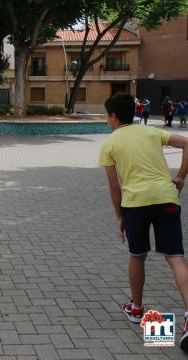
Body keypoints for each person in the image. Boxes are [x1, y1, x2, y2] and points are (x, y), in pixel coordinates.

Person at [99, 93, 188, 353]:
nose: (107, 121)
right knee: (175, 257)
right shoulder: (151, 133)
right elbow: (186, 144)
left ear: (114, 117)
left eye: (107, 116)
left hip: (135, 204)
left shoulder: (110, 143)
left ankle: (137, 309)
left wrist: (119, 216)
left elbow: (114, 187)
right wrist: (180, 177)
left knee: (137, 255)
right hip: (166, 198)